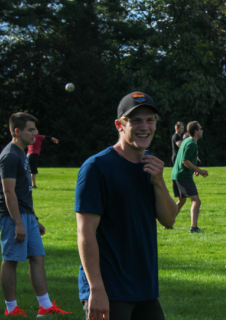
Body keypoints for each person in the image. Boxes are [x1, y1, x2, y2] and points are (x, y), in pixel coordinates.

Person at [75, 91, 178, 320]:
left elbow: (169, 219)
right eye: (136, 120)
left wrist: (159, 181)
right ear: (119, 125)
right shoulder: (97, 167)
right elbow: (86, 232)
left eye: (150, 120)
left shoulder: (149, 164)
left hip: (144, 287)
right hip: (110, 288)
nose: (145, 127)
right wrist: (96, 289)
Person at [0, 112, 69, 317]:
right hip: (11, 215)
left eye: (35, 129)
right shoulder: (10, 156)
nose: (35, 133)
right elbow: (8, 192)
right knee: (11, 259)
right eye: (31, 129)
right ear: (17, 132)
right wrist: (18, 223)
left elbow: (23, 191)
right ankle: (11, 308)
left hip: (26, 215)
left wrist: (34, 219)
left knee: (37, 257)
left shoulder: (22, 153)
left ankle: (45, 306)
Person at [172, 121, 209, 233]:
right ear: (196, 131)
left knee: (181, 201)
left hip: (176, 174)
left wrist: (194, 170)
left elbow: (185, 159)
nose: (202, 130)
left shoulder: (187, 140)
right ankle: (193, 227)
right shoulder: (191, 143)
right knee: (196, 201)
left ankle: (168, 221)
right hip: (183, 175)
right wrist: (200, 170)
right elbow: (185, 161)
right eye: (201, 128)